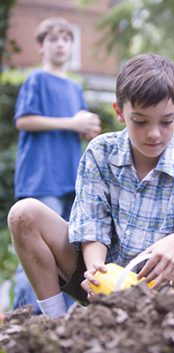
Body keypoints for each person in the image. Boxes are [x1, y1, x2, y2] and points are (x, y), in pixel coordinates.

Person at [8, 53, 174, 318]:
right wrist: (97, 272)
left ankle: (166, 334)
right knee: (24, 214)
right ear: (119, 112)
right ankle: (55, 324)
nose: (154, 133)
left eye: (165, 121)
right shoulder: (100, 152)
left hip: (156, 291)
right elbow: (92, 223)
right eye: (140, 121)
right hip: (98, 279)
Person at [12, 17, 101, 313]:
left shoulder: (75, 88)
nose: (60, 44)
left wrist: (84, 130)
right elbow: (24, 120)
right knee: (34, 249)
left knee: (66, 253)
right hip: (41, 179)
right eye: (53, 39)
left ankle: (62, 319)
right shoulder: (36, 79)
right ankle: (24, 318)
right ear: (40, 46)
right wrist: (71, 122)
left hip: (70, 180)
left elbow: (70, 126)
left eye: (66, 39)